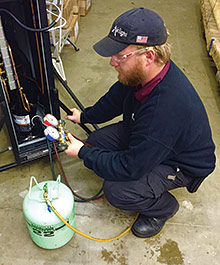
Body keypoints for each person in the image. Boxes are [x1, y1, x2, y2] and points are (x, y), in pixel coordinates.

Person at [64, 7, 216, 238]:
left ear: (148, 56)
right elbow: (114, 100)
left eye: (120, 56)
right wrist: (85, 116)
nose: (112, 62)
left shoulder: (165, 109)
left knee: (116, 190)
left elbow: (130, 166)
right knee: (96, 143)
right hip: (151, 137)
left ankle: (163, 208)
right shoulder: (141, 75)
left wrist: (83, 152)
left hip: (180, 163)